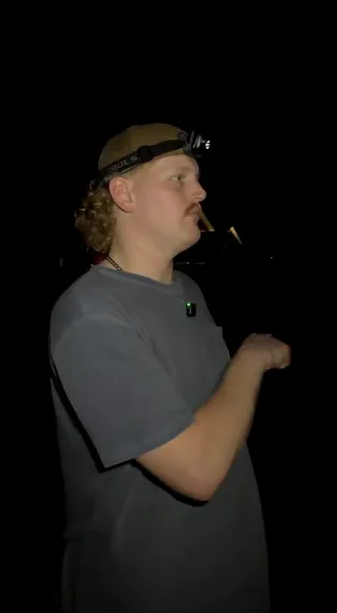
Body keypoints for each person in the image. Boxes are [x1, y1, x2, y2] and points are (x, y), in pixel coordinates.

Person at [49, 123, 291, 613]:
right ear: (124, 194)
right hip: (150, 589)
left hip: (234, 576)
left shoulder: (187, 291)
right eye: (178, 178)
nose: (200, 192)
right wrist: (252, 358)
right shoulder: (91, 315)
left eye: (197, 178)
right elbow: (198, 471)